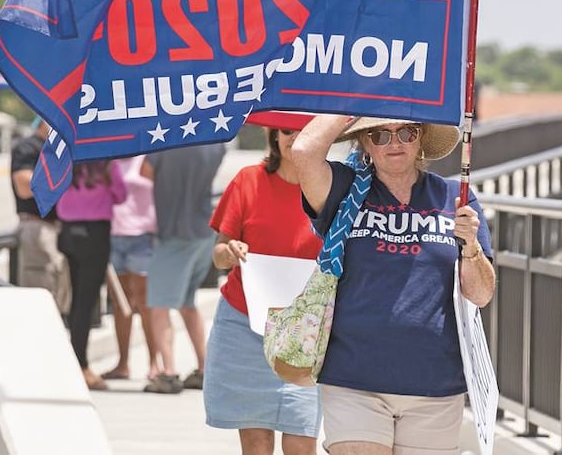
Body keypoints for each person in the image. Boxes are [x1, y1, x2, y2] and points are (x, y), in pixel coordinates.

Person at [291, 115, 496, 455]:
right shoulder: (343, 190)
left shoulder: (454, 198)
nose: (394, 142)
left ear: (421, 138)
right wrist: (363, 98)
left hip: (436, 384)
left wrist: (471, 248)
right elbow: (304, 150)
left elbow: (481, 294)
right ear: (366, 144)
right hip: (353, 378)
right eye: (379, 135)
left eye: (406, 132)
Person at [204, 116, 322, 454]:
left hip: (305, 332)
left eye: (303, 131)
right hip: (245, 324)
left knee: (301, 442)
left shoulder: (330, 186)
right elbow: (218, 255)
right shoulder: (248, 180)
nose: (294, 138)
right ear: (273, 134)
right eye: (286, 130)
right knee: (256, 444)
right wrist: (231, 251)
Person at [142, 143, 227, 394]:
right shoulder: (215, 143)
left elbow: (144, 173)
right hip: (203, 230)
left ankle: (168, 373)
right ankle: (203, 367)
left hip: (173, 231)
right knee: (188, 304)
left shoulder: (164, 140)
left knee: (159, 305)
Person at [55, 160, 128, 390]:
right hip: (96, 233)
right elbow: (121, 195)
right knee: (86, 303)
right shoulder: (106, 163)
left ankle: (72, 359)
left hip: (68, 232)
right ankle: (81, 365)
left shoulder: (65, 160)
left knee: (75, 299)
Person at [102, 155, 162, 382]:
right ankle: (123, 363)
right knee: (120, 304)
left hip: (142, 237)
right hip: (114, 236)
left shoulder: (146, 158)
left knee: (145, 303)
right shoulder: (111, 160)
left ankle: (154, 362)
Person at [10, 118, 70, 315]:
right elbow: (24, 186)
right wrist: (64, 178)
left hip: (59, 226)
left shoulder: (59, 149)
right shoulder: (27, 147)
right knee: (39, 295)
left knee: (59, 291)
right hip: (37, 225)